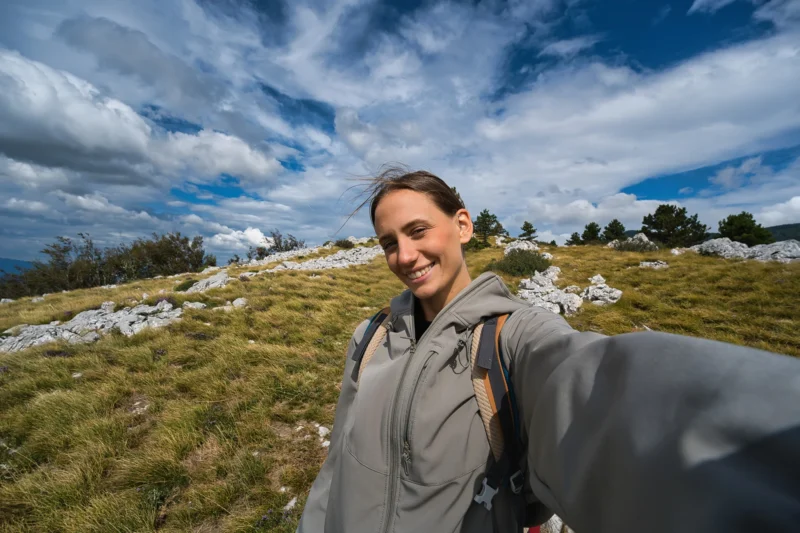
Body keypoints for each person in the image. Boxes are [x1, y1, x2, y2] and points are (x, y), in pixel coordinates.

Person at [297, 168, 800, 533]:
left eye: (418, 231)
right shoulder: (371, 337)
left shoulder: (514, 336)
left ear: (464, 226)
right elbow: (336, 466)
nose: (404, 256)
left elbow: (599, 389)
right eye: (388, 242)